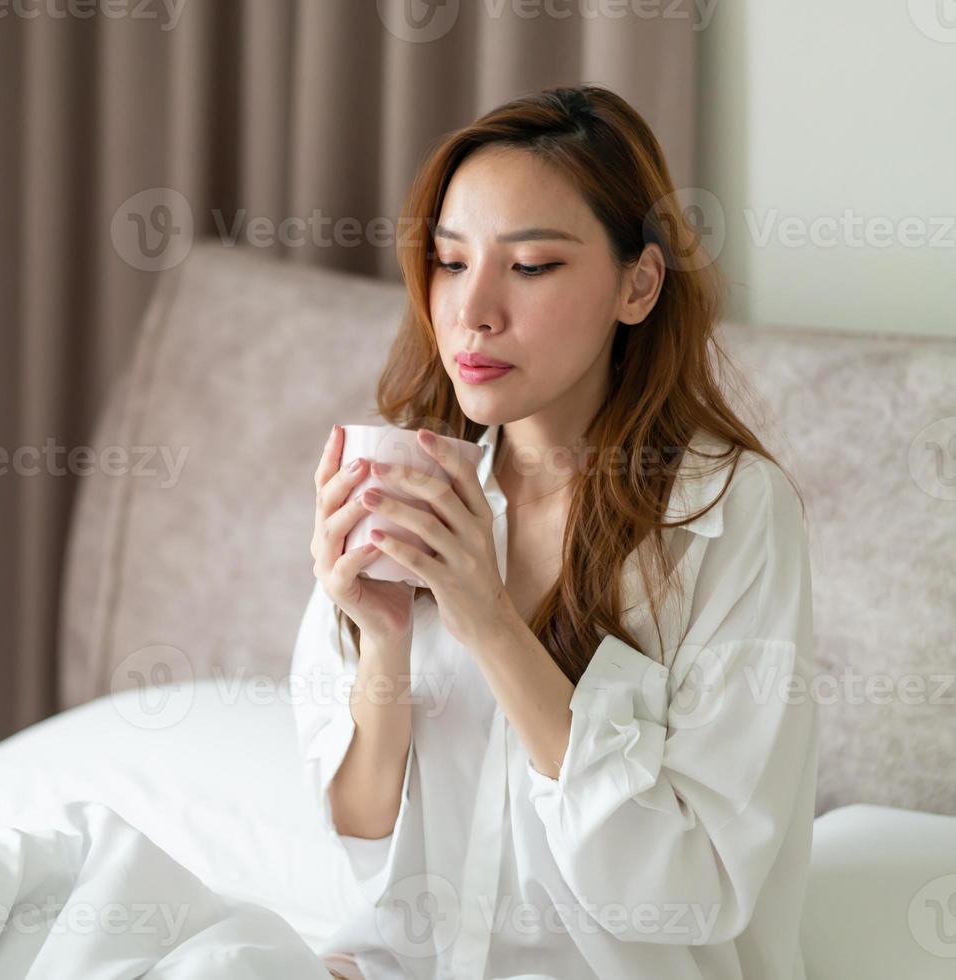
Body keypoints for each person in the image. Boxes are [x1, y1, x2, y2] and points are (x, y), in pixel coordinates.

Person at [295, 84, 817, 980]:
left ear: (638, 285)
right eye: (452, 263)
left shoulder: (730, 515)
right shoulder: (419, 489)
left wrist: (488, 620)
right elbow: (355, 832)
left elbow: (687, 889)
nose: (474, 310)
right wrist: (383, 640)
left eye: (530, 266)